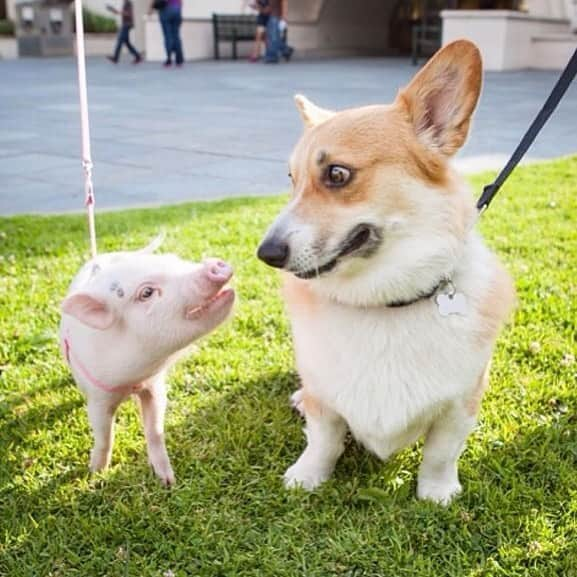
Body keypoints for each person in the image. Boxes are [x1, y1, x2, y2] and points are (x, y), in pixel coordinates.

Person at [150, 0, 184, 67]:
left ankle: (169, 59)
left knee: (168, 36)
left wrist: (150, 10)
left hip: (166, 10)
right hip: (177, 10)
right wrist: (179, 11)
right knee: (176, 36)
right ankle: (179, 60)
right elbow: (181, 2)